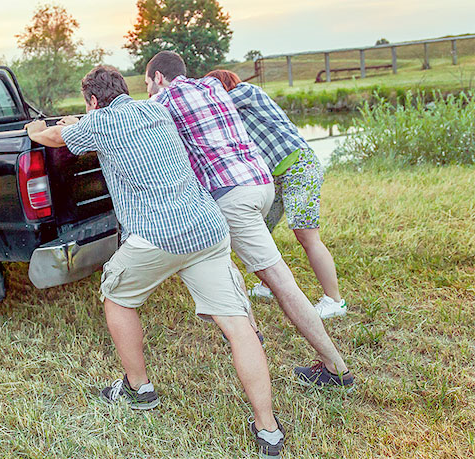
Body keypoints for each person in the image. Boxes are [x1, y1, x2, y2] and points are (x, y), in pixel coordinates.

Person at [25, 65, 285, 457]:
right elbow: (102, 124)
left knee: (117, 298)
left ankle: (138, 387)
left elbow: (54, 137)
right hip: (207, 227)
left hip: (158, 234)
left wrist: (33, 128)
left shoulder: (101, 124)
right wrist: (86, 119)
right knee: (237, 326)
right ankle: (268, 429)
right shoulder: (155, 109)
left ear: (93, 101)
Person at [145, 51, 352, 389]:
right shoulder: (213, 87)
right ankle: (252, 334)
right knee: (220, 256)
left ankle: (335, 368)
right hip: (261, 183)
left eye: (148, 84)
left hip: (232, 195)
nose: (149, 91)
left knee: (278, 279)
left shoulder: (164, 99)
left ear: (157, 77)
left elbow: (131, 121)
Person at [208, 69, 347, 320]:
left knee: (306, 235)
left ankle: (334, 300)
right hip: (275, 176)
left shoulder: (246, 93)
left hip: (298, 166)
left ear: (222, 85)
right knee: (260, 229)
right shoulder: (232, 114)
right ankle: (268, 285)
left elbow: (213, 106)